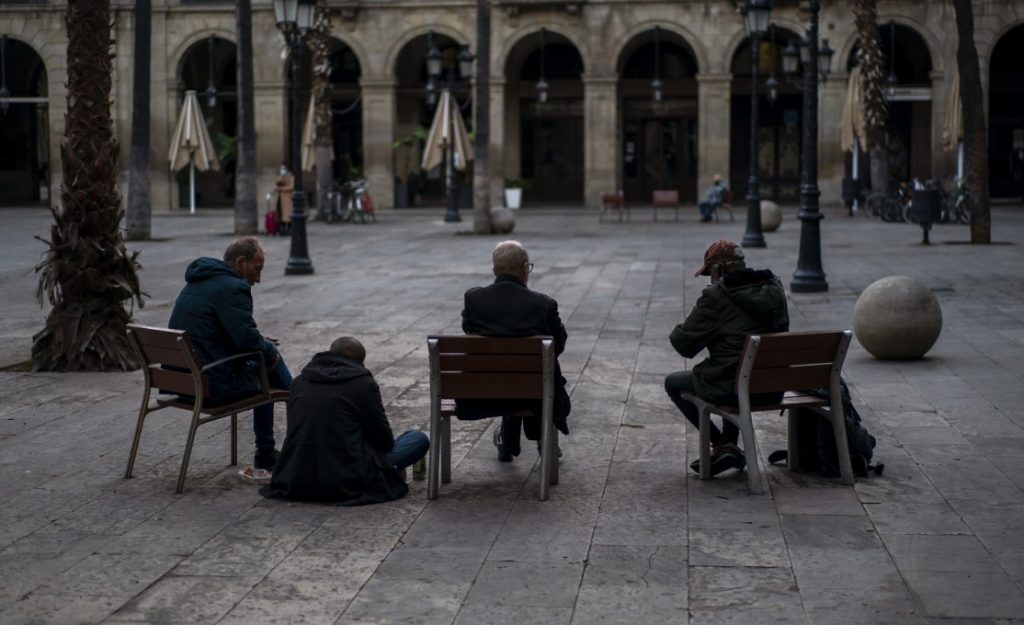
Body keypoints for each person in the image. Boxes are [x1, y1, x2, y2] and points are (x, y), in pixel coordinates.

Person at [664, 240, 789, 475]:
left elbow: (683, 345)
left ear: (719, 269)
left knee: (674, 383)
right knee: (733, 369)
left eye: (710, 273)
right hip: (773, 387)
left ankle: (722, 443)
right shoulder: (774, 288)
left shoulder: (716, 296)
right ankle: (727, 444)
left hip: (736, 386)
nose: (710, 279)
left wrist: (688, 325)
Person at [168, 237, 292, 471]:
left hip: (181, 382)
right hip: (211, 385)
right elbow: (247, 340)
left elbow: (219, 333)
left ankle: (272, 445)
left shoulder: (196, 281)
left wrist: (260, 343)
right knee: (268, 364)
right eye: (257, 269)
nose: (258, 278)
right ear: (240, 262)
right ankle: (278, 445)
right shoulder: (234, 288)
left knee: (262, 355)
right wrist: (269, 350)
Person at [261, 337, 429, 504]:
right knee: (417, 439)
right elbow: (384, 442)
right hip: (346, 475)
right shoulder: (363, 384)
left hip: (298, 473)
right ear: (360, 364)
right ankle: (391, 471)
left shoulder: (299, 381)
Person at [459, 240, 571, 461]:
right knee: (537, 376)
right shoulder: (543, 304)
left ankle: (507, 441)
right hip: (533, 390)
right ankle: (541, 439)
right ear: (524, 268)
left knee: (513, 377)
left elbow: (468, 331)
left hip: (483, 391)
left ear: (494, 270)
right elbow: (559, 344)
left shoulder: (474, 299)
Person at [274, 164, 294, 235]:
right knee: (280, 214)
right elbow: (277, 182)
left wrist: (281, 189)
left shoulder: (291, 177)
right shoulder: (281, 176)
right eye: (281, 168)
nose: (282, 170)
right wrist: (281, 176)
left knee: (287, 215)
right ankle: (282, 229)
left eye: (283, 168)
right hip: (279, 198)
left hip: (287, 198)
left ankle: (288, 229)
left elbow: (291, 187)